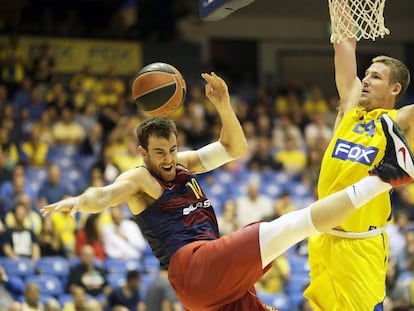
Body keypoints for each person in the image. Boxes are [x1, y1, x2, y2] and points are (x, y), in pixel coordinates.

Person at [41, 72, 414, 311]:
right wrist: (78, 201)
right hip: (193, 265)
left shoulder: (182, 163)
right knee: (293, 225)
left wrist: (223, 105)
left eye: (171, 149)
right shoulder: (140, 179)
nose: (169, 159)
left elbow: (234, 148)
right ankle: (384, 178)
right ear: (143, 153)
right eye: (159, 153)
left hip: (211, 292)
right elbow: (105, 195)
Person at [303, 4, 414, 310]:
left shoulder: (397, 120)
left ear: (395, 88)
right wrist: (339, 6)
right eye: (366, 74)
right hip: (323, 237)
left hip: (360, 246)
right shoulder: (350, 109)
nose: (365, 80)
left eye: (375, 77)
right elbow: (344, 43)